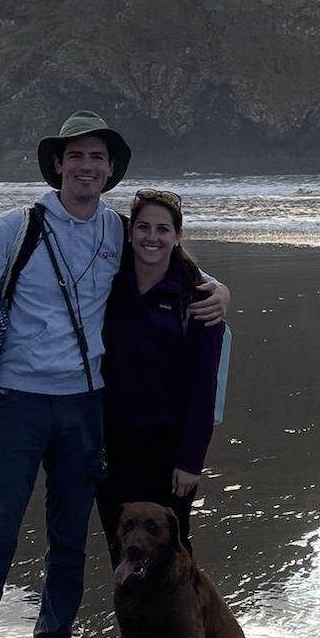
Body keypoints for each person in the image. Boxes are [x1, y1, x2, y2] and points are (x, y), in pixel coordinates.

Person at [0, 112, 229, 638]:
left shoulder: (116, 232)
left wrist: (222, 292)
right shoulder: (17, 228)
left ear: (111, 170)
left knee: (70, 542)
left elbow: (172, 256)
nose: (87, 167)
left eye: (98, 158)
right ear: (58, 165)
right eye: (77, 157)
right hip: (16, 405)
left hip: (83, 407)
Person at [95, 188, 223, 559]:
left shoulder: (197, 299)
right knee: (122, 547)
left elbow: (204, 387)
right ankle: (131, 619)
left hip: (168, 451)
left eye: (163, 229)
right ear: (131, 233)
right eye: (144, 227)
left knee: (173, 554)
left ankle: (183, 620)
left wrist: (190, 460)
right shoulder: (108, 287)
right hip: (112, 445)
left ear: (177, 236)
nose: (152, 237)